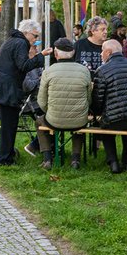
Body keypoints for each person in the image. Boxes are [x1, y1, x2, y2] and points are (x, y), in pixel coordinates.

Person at [0, 19, 44, 165]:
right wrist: (41, 56)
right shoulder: (21, 43)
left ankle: (7, 154)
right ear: (26, 32)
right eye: (35, 36)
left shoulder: (11, 40)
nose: (36, 40)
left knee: (7, 125)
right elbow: (23, 65)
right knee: (9, 126)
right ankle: (5, 159)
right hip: (7, 90)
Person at [35, 36, 92, 169]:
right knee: (79, 126)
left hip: (54, 119)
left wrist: (51, 110)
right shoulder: (84, 71)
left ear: (55, 53)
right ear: (73, 52)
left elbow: (41, 101)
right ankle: (75, 160)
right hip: (79, 120)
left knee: (39, 122)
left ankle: (47, 159)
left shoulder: (48, 71)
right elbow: (89, 99)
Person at [91, 38, 127, 173]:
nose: (101, 53)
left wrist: (96, 113)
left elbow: (98, 98)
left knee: (106, 127)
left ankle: (113, 162)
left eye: (102, 50)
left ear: (108, 52)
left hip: (114, 121)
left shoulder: (102, 70)